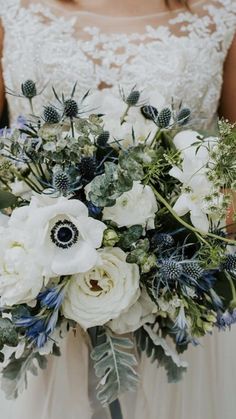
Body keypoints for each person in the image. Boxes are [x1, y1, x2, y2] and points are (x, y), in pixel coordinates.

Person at [0, 1, 236, 418]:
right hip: (35, 310)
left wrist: (181, 236)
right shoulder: (13, 13)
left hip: (177, 307)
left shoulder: (219, 19)